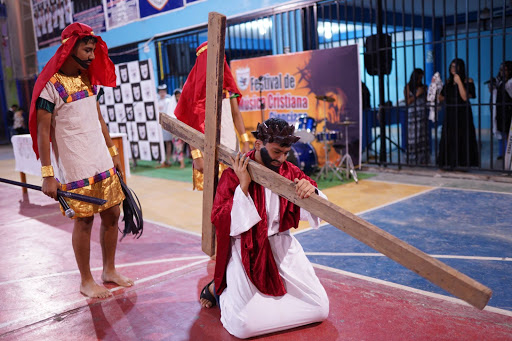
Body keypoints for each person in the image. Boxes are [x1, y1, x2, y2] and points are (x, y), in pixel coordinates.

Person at [28, 23, 133, 299]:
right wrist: (48, 174)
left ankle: (108, 270)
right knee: (84, 221)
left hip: (101, 157)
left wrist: (113, 153)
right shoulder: (50, 87)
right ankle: (86, 280)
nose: (90, 55)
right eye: (86, 49)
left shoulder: (88, 79)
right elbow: (42, 132)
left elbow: (98, 119)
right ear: (69, 48)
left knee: (113, 213)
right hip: (76, 164)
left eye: (92, 50)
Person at [199, 118, 329, 339]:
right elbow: (220, 217)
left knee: (320, 309)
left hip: (282, 245)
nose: (282, 159)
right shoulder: (234, 172)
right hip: (247, 248)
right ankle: (218, 291)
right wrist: (244, 187)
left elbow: (316, 202)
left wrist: (311, 191)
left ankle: (262, 306)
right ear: (258, 145)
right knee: (243, 327)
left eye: (286, 153)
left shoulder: (289, 171)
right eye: (277, 152)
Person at [174, 41, 250, 190]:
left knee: (235, 193)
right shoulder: (192, 89)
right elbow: (190, 123)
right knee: (214, 196)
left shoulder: (228, 87)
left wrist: (245, 141)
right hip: (206, 149)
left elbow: (236, 114)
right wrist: (196, 155)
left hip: (230, 146)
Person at [437, 58, 479, 169]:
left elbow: (465, 97)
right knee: (449, 136)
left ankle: (463, 163)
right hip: (450, 113)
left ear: (461, 68)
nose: (453, 69)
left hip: (463, 114)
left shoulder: (468, 81)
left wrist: (459, 82)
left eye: (456, 66)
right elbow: (440, 97)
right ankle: (449, 162)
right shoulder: (448, 82)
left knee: (463, 137)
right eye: (451, 66)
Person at [404, 68, 429, 165]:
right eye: (419, 78)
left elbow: (428, 100)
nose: (420, 80)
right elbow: (408, 101)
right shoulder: (408, 87)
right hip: (412, 116)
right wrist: (417, 94)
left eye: (421, 78)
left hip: (422, 115)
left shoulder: (423, 87)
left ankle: (423, 159)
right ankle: (412, 159)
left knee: (423, 137)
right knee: (413, 137)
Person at [157, 85, 185, 167]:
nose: (178, 97)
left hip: (184, 128)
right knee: (177, 145)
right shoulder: (171, 103)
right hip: (174, 128)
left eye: (180, 96)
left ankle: (176, 158)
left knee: (179, 146)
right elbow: (170, 115)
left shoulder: (180, 103)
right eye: (177, 96)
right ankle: (181, 162)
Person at [490, 61, 512, 160]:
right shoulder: (499, 81)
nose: (502, 72)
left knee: (508, 132)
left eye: (505, 70)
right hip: (499, 111)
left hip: (508, 111)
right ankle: (501, 153)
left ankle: (508, 154)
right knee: (500, 131)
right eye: (501, 69)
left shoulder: (510, 82)